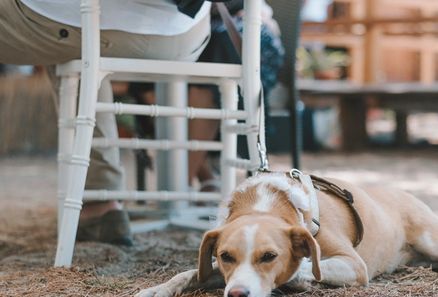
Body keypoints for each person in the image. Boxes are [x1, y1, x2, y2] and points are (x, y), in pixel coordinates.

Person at [0, 0, 212, 245]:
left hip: (91, 22)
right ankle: (101, 204)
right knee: (77, 47)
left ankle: (102, 197)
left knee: (75, 30)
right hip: (187, 36)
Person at [188, 0, 284, 191]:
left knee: (218, 50)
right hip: (186, 25)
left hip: (241, 24)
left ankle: (181, 182)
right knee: (150, 78)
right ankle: (199, 172)